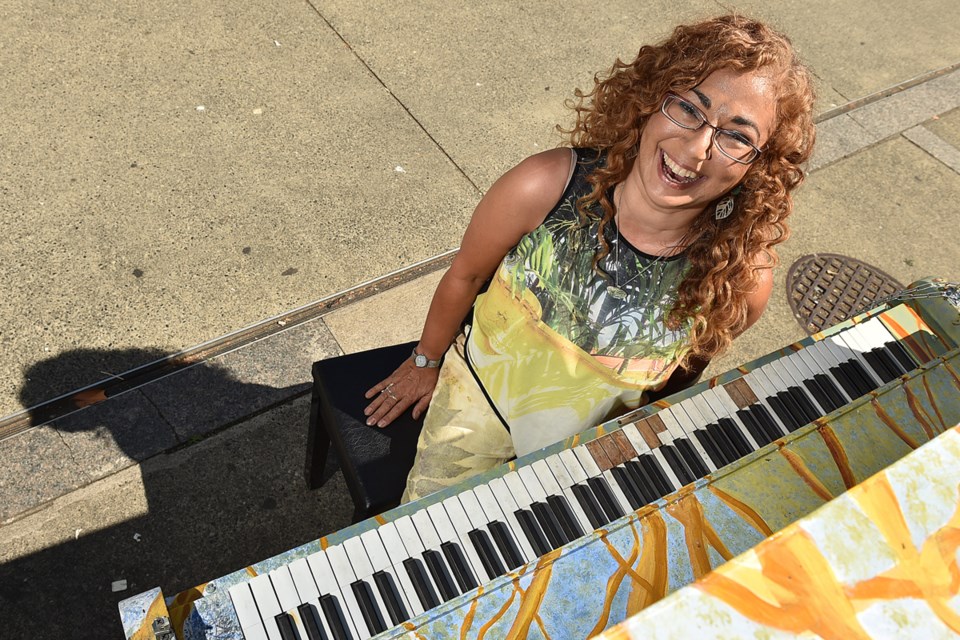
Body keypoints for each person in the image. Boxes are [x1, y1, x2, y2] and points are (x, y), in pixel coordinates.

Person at [364, 15, 816, 503]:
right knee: (431, 539)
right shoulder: (544, 184)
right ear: (650, 101)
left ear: (760, 165)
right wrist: (424, 361)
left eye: (737, 137)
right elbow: (466, 274)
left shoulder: (742, 279)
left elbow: (687, 369)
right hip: (479, 400)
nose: (697, 147)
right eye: (688, 107)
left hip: (586, 449)